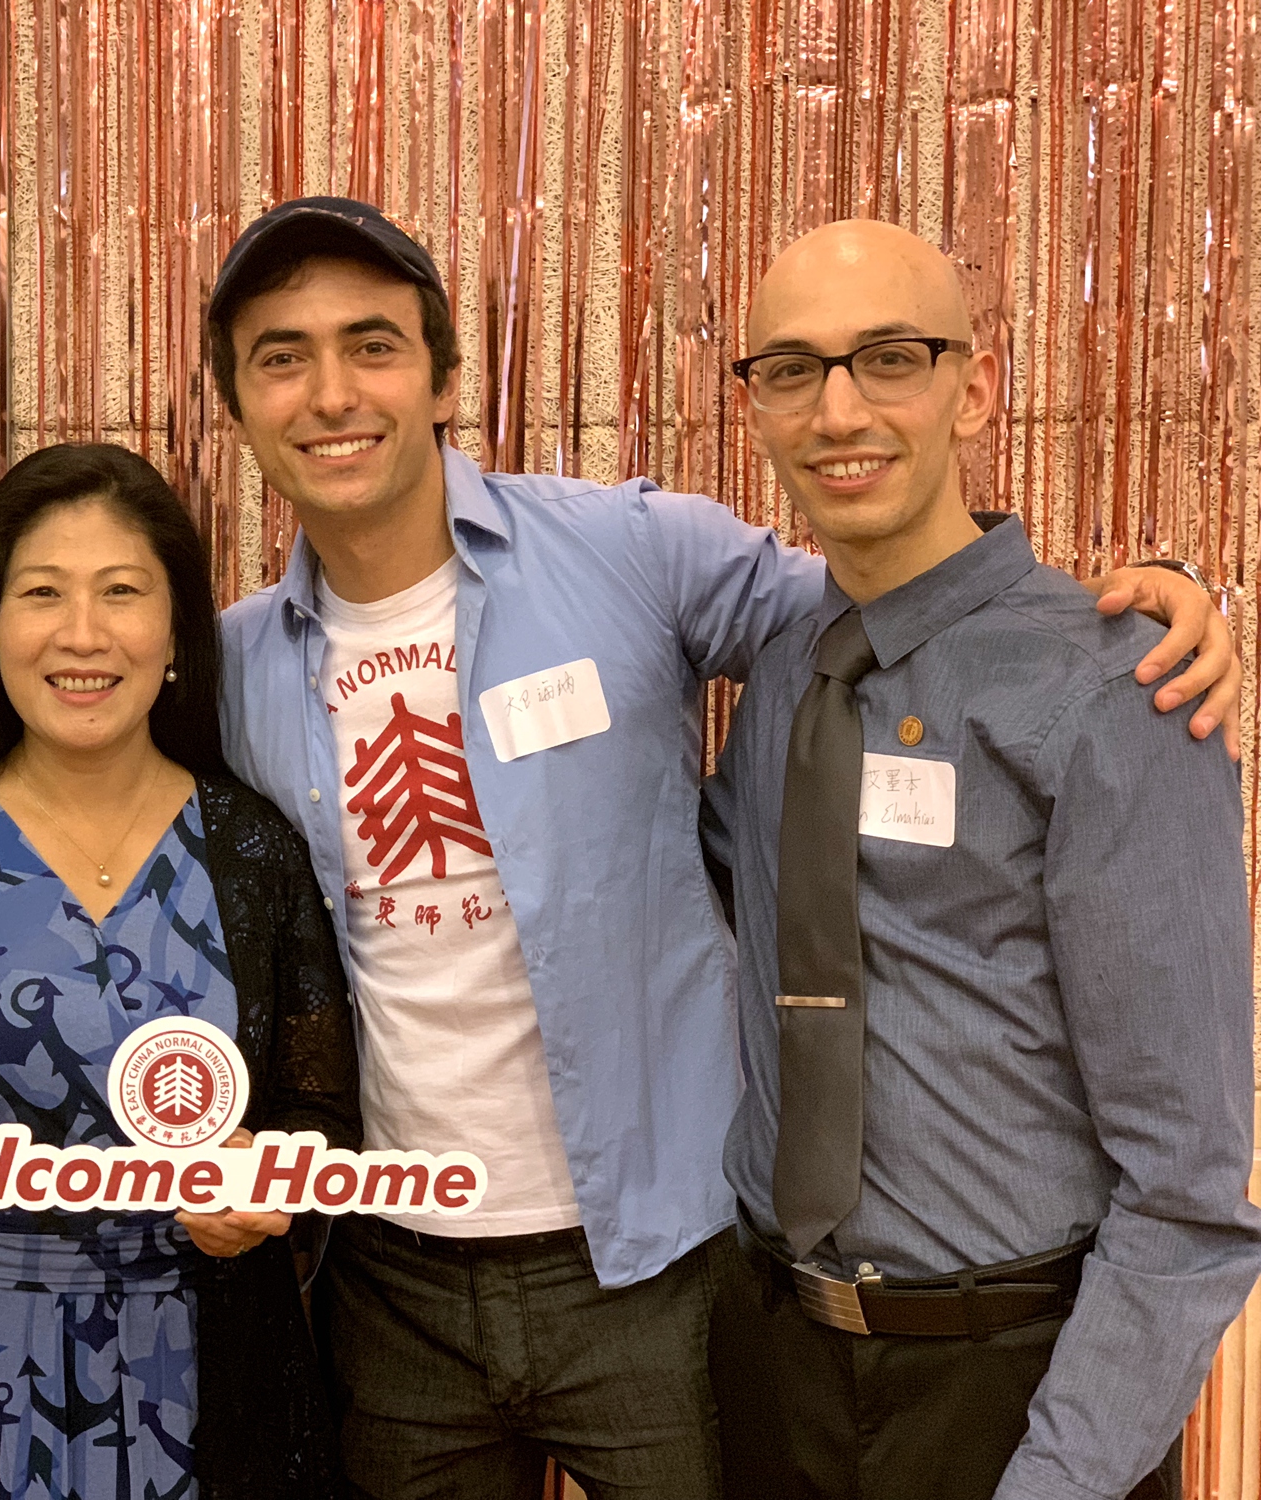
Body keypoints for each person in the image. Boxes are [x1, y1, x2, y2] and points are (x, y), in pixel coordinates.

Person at [205, 196, 1241, 1499]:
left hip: (690, 1273)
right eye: (281, 357)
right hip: (453, 1287)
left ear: (443, 378)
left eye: (372, 345)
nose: (331, 393)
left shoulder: (632, 555)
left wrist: (1140, 603)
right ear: (233, 406)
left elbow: (914, 600)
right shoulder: (228, 668)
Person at [700, 218, 1261, 1500]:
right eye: (789, 370)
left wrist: (1058, 1477)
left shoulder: (1115, 687)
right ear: (755, 408)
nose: (838, 410)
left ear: (976, 387)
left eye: (888, 358)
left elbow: (1184, 1185)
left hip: (1015, 1384)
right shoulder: (782, 673)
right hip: (772, 1365)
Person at [0, 442, 361, 1500]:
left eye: (121, 592)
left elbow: (321, 1116)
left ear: (176, 633)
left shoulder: (253, 850)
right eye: (41, 592)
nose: (82, 634)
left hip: (217, 1368)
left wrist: (266, 1184)